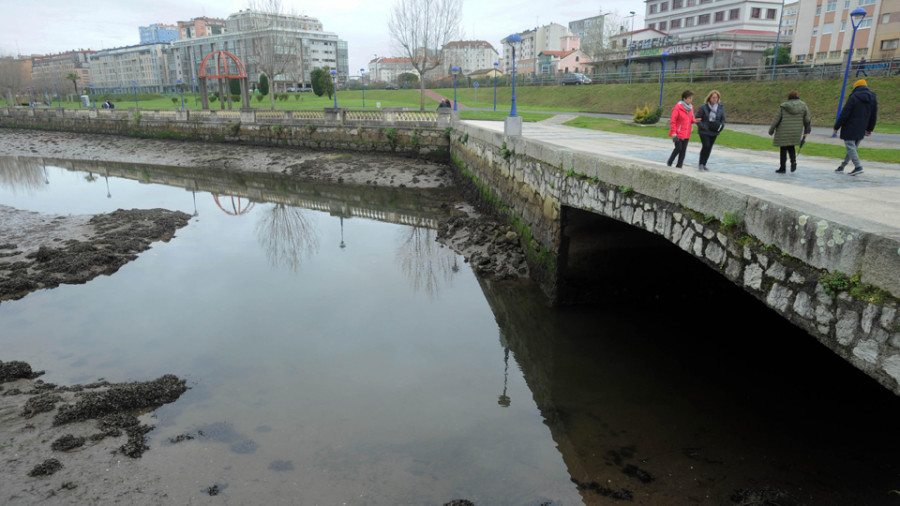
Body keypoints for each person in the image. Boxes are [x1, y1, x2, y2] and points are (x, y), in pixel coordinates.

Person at [834, 79, 877, 176]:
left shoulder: (854, 97)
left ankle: (858, 167)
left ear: (856, 87)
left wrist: (837, 126)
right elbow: (874, 115)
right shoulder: (873, 98)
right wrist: (870, 129)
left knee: (850, 146)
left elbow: (845, 113)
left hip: (850, 126)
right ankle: (842, 166)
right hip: (862, 127)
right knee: (852, 148)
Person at [768, 90, 811, 174]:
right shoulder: (803, 105)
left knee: (783, 148)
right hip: (796, 131)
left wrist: (771, 130)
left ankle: (782, 167)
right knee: (791, 147)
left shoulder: (783, 106)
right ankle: (793, 162)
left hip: (783, 130)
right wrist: (807, 130)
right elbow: (807, 119)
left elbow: (776, 119)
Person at [694, 90, 725, 171]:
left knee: (709, 148)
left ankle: (704, 164)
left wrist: (720, 127)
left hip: (714, 131)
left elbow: (722, 119)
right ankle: (700, 163)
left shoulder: (720, 107)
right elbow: (697, 118)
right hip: (704, 131)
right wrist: (703, 126)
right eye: (713, 97)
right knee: (706, 146)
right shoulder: (703, 107)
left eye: (716, 97)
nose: (715, 99)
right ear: (709, 98)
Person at [667, 90, 699, 168]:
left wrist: (694, 121)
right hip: (677, 133)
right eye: (689, 98)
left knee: (683, 150)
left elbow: (690, 119)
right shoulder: (677, 107)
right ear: (684, 99)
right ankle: (669, 162)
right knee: (678, 148)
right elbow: (673, 121)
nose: (691, 100)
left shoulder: (691, 107)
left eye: (692, 98)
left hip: (687, 133)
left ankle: (679, 166)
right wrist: (674, 132)